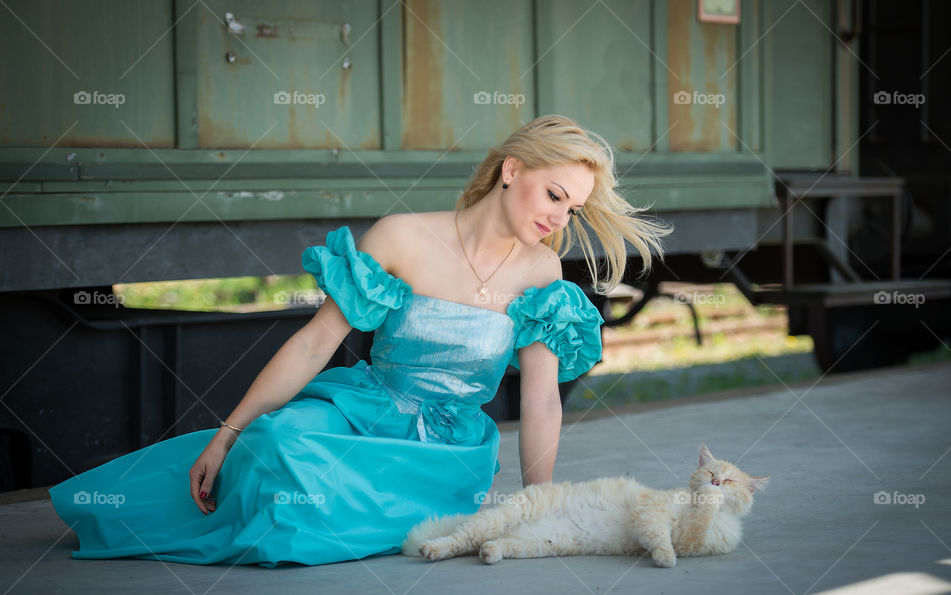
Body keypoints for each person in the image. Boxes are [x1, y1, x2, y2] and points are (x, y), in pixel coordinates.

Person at [47, 114, 673, 567]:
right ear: (512, 170)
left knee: (300, 513)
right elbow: (316, 343)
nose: (559, 219)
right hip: (364, 408)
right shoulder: (402, 236)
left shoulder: (541, 272)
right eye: (555, 196)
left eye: (573, 211)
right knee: (276, 445)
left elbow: (540, 398)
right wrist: (228, 432)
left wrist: (538, 504)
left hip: (447, 450)